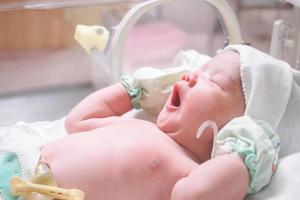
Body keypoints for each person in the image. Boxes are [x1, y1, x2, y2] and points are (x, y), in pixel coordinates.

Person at [3, 44, 294, 200]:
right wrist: (137, 91)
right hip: (17, 169)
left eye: (213, 81)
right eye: (198, 70)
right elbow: (77, 121)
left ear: (241, 124)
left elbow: (194, 196)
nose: (190, 76)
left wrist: (243, 155)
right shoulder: (142, 126)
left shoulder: (188, 171)